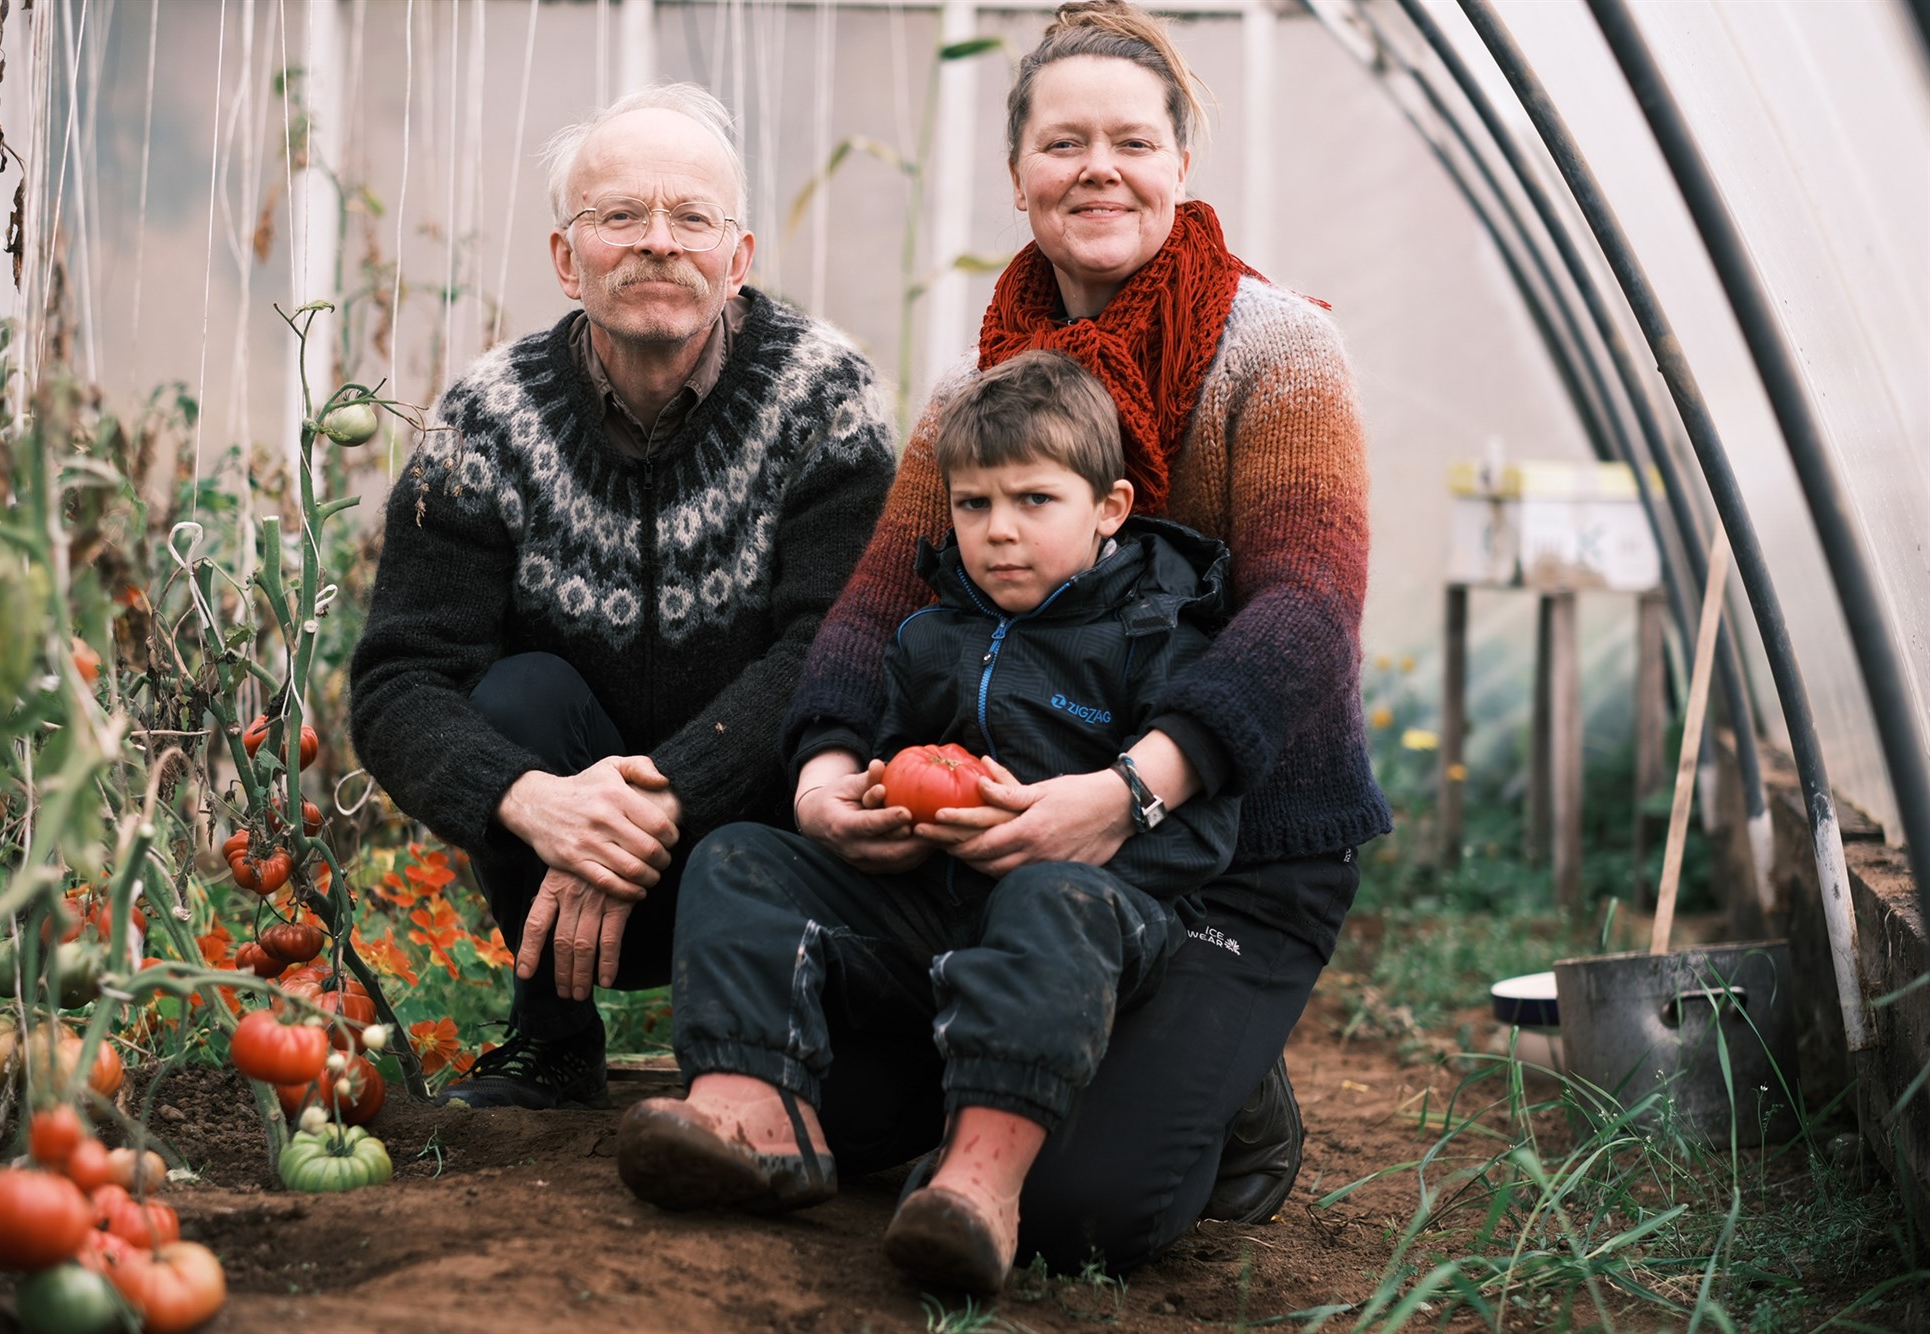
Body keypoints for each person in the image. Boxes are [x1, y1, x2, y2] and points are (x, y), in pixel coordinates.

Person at [679, 0, 1389, 1281]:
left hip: (1227, 849)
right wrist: (827, 771)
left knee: (1080, 1211)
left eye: (1131, 140)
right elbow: (876, 604)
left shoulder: (1275, 350)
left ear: (1180, 164)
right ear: (1017, 176)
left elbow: (1305, 615)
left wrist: (1129, 789)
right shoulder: (980, 391)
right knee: (842, 1118)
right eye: (1063, 144)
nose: (1097, 168)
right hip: (1002, 842)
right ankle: (882, 1088)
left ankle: (1221, 1085)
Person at [613, 349, 1243, 1291]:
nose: (998, 533)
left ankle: (979, 1185)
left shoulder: (1157, 636)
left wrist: (1081, 839)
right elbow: (893, 752)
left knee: (1048, 903)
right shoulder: (930, 633)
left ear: (1109, 508)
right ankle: (752, 1109)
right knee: (741, 856)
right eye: (974, 505)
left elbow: (1204, 831)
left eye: (1035, 501)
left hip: (1087, 928)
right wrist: (881, 801)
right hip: (932, 908)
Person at [347, 83, 896, 1110]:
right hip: (554, 862)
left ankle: (760, 1036)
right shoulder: (486, 417)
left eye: (692, 217)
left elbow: (834, 646)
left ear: (737, 259)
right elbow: (398, 680)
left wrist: (657, 794)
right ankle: (551, 1040)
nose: (658, 242)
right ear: (566, 257)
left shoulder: (825, 397)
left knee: (816, 715)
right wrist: (536, 802)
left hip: (751, 844)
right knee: (517, 694)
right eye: (619, 217)